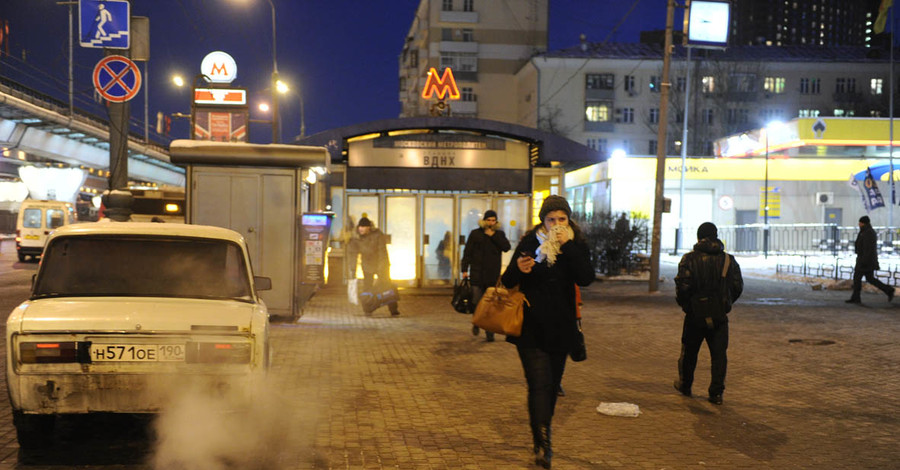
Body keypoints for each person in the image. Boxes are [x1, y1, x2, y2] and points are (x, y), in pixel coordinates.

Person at [500, 195, 594, 468]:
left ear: (568, 220)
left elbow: (586, 278)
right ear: (543, 220)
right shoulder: (530, 243)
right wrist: (518, 269)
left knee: (551, 387)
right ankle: (543, 444)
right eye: (551, 219)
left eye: (561, 219)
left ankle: (543, 430)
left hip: (561, 329)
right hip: (530, 329)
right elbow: (507, 282)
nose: (556, 224)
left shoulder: (575, 243)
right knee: (539, 384)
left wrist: (568, 246)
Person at [674, 222, 743, 406]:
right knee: (719, 355)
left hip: (695, 314)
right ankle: (716, 393)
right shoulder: (728, 260)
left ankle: (686, 385)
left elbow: (682, 286)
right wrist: (724, 304)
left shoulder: (689, 259)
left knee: (689, 351)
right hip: (719, 316)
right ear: (716, 236)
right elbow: (737, 286)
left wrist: (688, 306)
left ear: (699, 237)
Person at [461, 210, 511, 342]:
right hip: (477, 274)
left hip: (492, 275)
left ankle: (490, 331)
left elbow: (506, 247)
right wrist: (464, 269)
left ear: (496, 221)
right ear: (484, 220)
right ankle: (476, 323)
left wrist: (493, 236)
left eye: (493, 220)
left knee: (491, 305)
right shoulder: (475, 234)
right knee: (477, 302)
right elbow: (468, 252)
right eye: (488, 220)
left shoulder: (499, 234)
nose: (490, 223)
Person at [346, 217, 400, 316]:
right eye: (360, 227)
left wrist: (382, 267)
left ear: (369, 228)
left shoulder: (377, 235)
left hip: (381, 264)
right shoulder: (355, 238)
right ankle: (367, 309)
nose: (361, 229)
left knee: (387, 287)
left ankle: (393, 309)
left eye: (364, 227)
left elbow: (382, 252)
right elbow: (352, 254)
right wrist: (352, 269)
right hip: (367, 265)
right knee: (367, 287)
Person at [846, 215, 895, 304]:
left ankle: (856, 298)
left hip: (865, 261)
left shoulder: (868, 233)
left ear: (863, 223)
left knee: (858, 278)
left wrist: (864, 261)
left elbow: (868, 249)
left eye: (860, 222)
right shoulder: (865, 231)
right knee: (869, 279)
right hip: (864, 260)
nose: (859, 224)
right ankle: (888, 290)